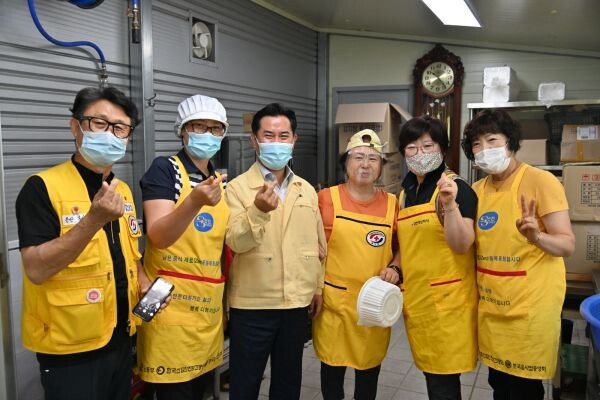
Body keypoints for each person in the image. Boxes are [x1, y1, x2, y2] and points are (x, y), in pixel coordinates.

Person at [16, 86, 153, 400]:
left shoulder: (122, 191)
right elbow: (36, 268)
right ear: (75, 126)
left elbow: (129, 254)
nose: (110, 134)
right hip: (70, 349)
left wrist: (144, 281)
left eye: (120, 128)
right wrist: (93, 220)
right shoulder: (41, 188)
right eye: (99, 123)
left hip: (120, 338)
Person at [462, 109, 575, 400]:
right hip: (493, 305)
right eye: (476, 144)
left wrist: (537, 237)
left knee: (524, 389)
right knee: (499, 383)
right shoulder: (476, 190)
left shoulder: (541, 181)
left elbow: (566, 245)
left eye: (492, 140)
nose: (484, 149)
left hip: (530, 308)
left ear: (510, 142)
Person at [225, 103, 327, 400]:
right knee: (245, 384)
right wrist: (257, 211)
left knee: (287, 383)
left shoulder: (306, 189)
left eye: (284, 136)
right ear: (254, 140)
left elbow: (317, 245)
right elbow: (235, 242)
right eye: (268, 135)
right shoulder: (237, 189)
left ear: (294, 140)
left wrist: (317, 287)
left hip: (295, 304)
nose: (276, 142)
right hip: (252, 305)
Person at [135, 95, 230, 399]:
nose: (208, 134)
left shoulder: (217, 180)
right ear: (182, 130)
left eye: (215, 128)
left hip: (207, 308)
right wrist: (194, 201)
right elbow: (158, 236)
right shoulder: (166, 170)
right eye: (199, 126)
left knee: (200, 391)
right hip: (170, 307)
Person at [313, 129, 400, 400]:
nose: (365, 164)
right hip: (334, 304)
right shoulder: (325, 198)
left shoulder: (393, 204)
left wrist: (395, 268)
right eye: (358, 157)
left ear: (381, 166)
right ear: (346, 163)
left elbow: (402, 248)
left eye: (373, 159)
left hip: (373, 305)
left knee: (368, 376)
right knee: (331, 374)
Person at [397, 116, 479, 400]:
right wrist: (395, 266)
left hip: (448, 303)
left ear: (442, 149)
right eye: (411, 147)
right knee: (432, 374)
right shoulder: (405, 193)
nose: (419, 153)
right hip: (418, 300)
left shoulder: (457, 188)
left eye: (427, 146)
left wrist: (450, 205)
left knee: (443, 383)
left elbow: (462, 244)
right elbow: (408, 244)